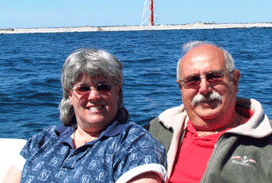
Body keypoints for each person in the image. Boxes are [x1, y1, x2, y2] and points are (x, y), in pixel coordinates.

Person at [4, 48, 167, 183]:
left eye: (103, 87)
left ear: (117, 91)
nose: (94, 96)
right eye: (83, 88)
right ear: (70, 95)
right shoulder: (42, 141)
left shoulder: (135, 144)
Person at [148, 41, 272, 183]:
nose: (204, 88)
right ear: (181, 88)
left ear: (235, 81)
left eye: (213, 77)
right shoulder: (155, 132)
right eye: (192, 80)